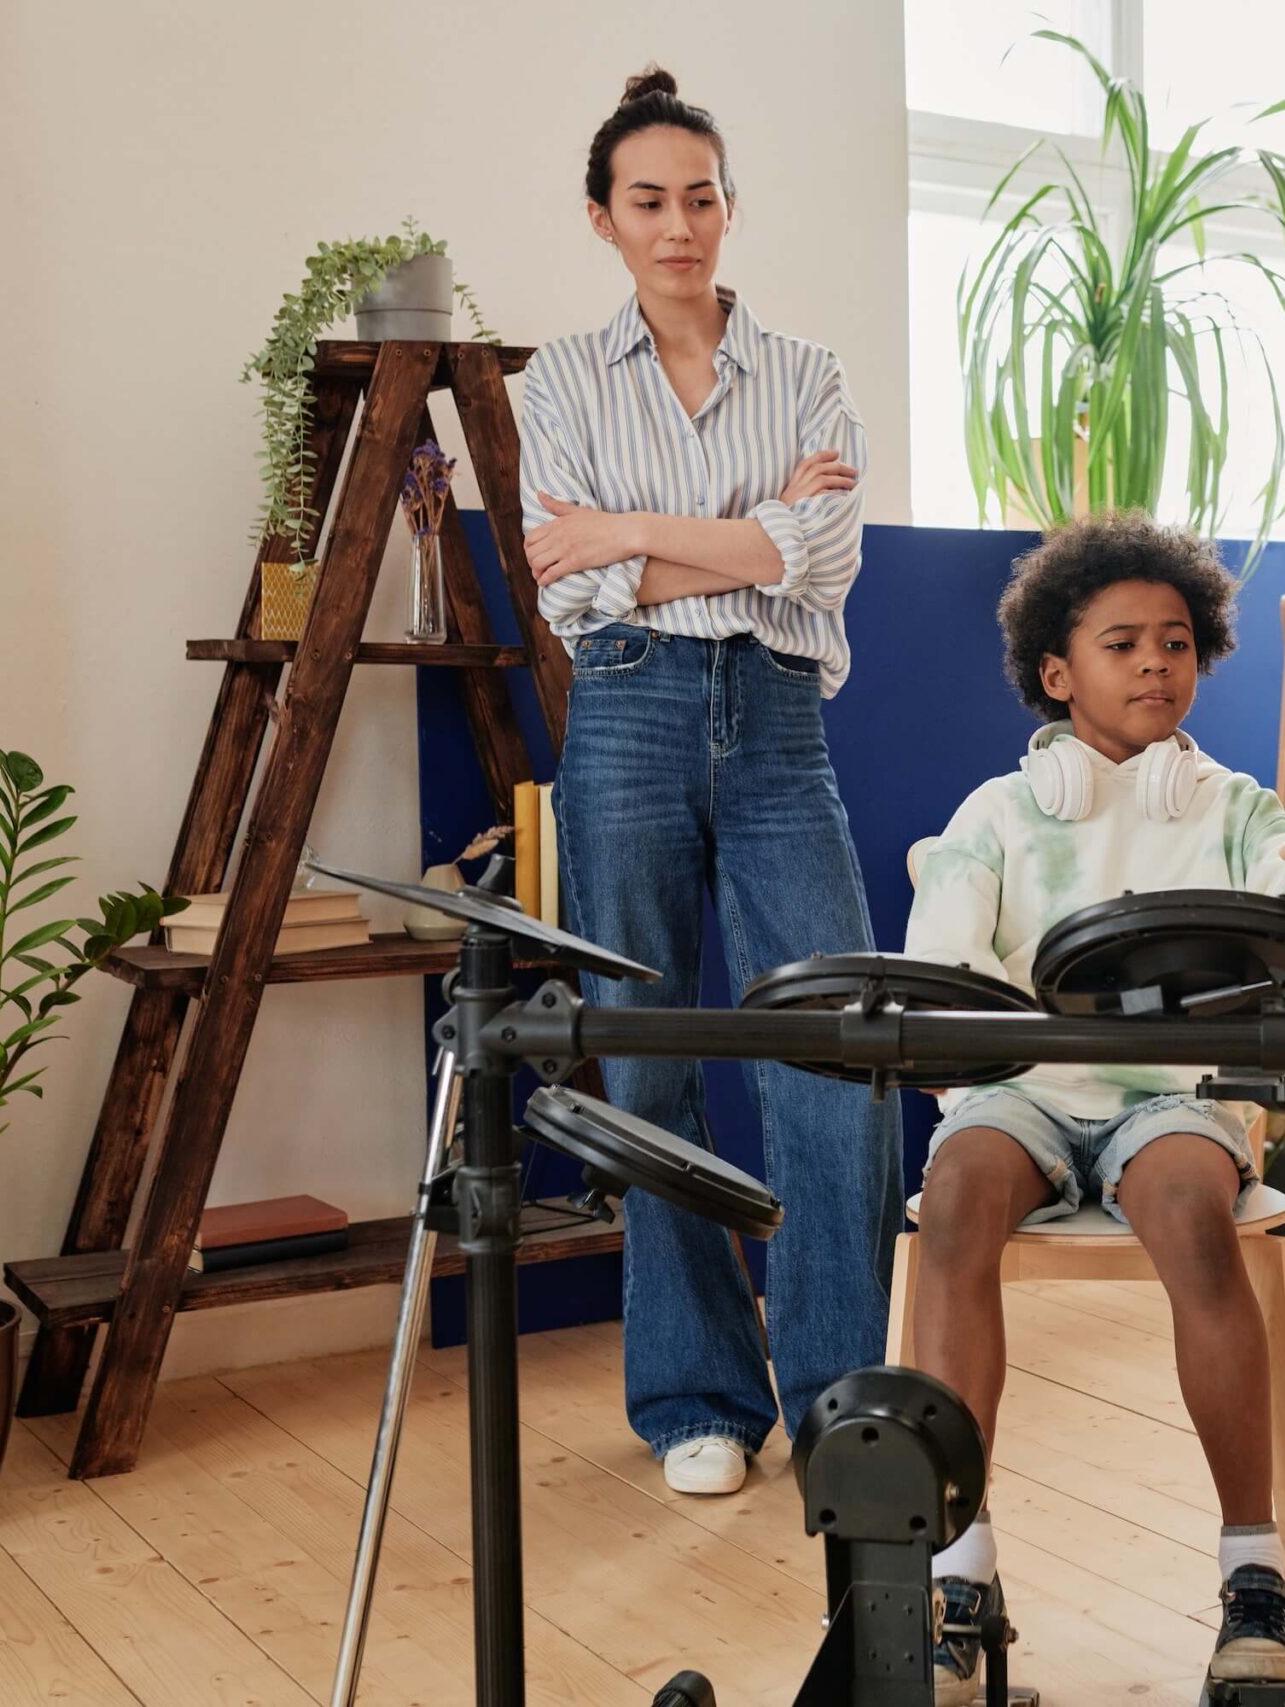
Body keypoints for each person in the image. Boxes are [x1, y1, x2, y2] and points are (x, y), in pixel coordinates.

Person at [902, 514, 1285, 1700]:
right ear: (1056, 673)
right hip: (1021, 1093)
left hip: (1173, 1099)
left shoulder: (1230, 809)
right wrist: (966, 1045)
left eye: (1174, 642)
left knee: (1187, 1208)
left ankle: (1252, 1575)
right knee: (956, 1198)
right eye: (1121, 643)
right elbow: (944, 969)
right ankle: (960, 1578)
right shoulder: (996, 815)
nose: (1153, 664)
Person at [517, 67, 897, 1497]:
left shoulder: (808, 370)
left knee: (837, 1055)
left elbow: (826, 553)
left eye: (701, 196)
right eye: (648, 201)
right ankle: (696, 1395)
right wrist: (746, 535)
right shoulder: (554, 379)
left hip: (781, 720)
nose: (679, 224)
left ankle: (840, 1393)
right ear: (605, 220)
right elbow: (576, 585)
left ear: (730, 207)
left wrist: (634, 531)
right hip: (625, 718)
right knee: (648, 1050)